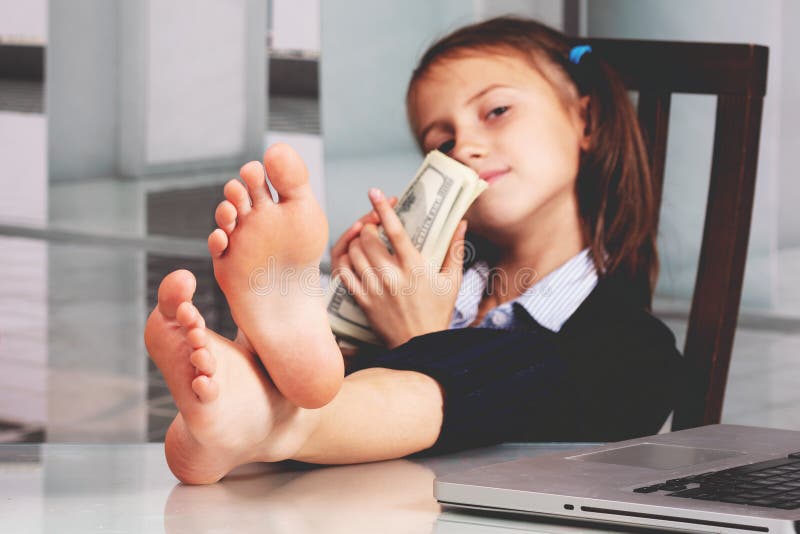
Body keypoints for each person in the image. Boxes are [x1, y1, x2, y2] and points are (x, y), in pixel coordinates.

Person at [144, 16, 683, 485]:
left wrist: (423, 337)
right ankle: (260, 387)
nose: (465, 146)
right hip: (366, 489)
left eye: (496, 110)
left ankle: (265, 416)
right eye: (441, 142)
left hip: (504, 469)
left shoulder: (624, 344)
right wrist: (358, 309)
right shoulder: (429, 276)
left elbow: (499, 462)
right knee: (341, 355)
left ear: (585, 119)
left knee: (557, 367)